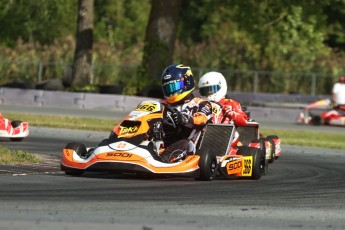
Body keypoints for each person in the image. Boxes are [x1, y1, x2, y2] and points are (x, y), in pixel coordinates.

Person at [160, 64, 213, 163]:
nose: (171, 92)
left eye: (174, 86)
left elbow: (202, 118)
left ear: (187, 82)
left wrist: (184, 119)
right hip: (163, 142)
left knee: (183, 143)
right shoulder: (163, 105)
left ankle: (161, 161)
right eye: (168, 88)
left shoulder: (202, 103)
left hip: (187, 145)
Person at [198, 71, 248, 147]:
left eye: (211, 89)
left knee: (236, 137)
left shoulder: (230, 103)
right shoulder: (199, 103)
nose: (208, 93)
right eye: (205, 91)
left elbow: (244, 121)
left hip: (224, 135)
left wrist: (232, 114)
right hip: (203, 134)